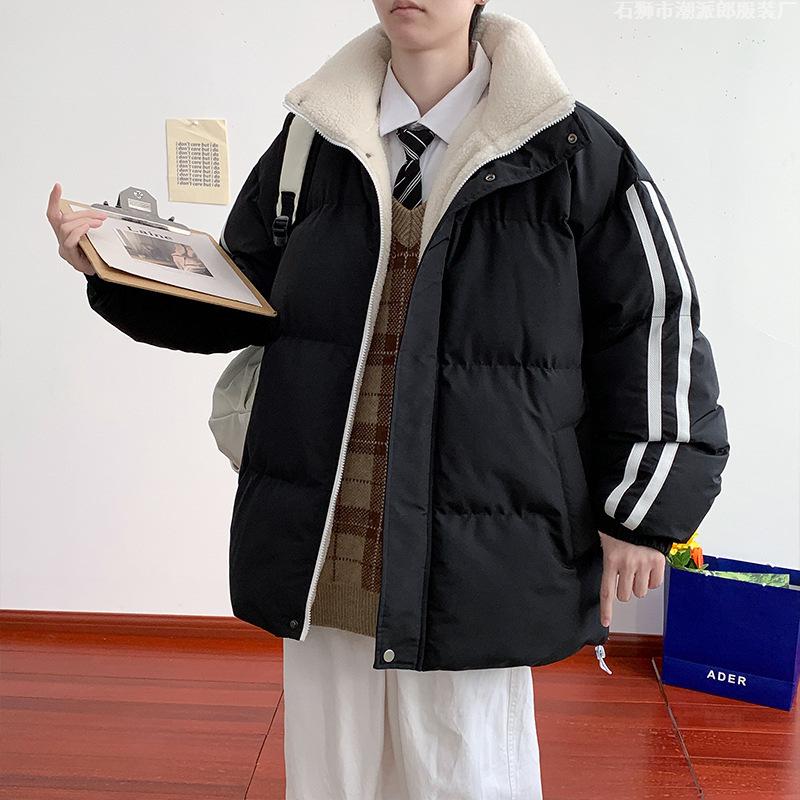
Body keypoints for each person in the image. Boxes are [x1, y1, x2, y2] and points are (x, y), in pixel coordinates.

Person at [48, 1, 730, 797]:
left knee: (464, 770)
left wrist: (643, 511)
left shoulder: (574, 152)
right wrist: (114, 266)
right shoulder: (310, 143)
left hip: (479, 537)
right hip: (328, 526)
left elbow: (654, 328)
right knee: (331, 773)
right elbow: (239, 298)